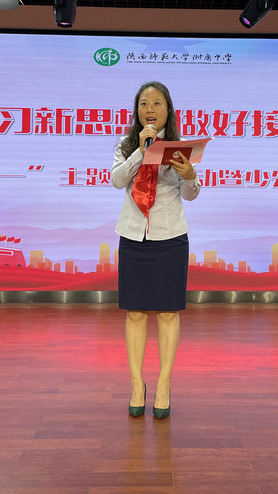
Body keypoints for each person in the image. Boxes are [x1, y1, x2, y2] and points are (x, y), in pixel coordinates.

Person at [111, 81, 201, 419]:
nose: (150, 109)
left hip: (170, 236)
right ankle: (137, 384)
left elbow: (190, 194)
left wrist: (190, 175)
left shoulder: (180, 149)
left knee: (167, 312)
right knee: (135, 313)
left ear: (168, 109)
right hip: (134, 237)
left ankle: (163, 385)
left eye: (157, 103)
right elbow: (118, 181)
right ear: (137, 110)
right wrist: (141, 150)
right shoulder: (125, 145)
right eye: (144, 103)